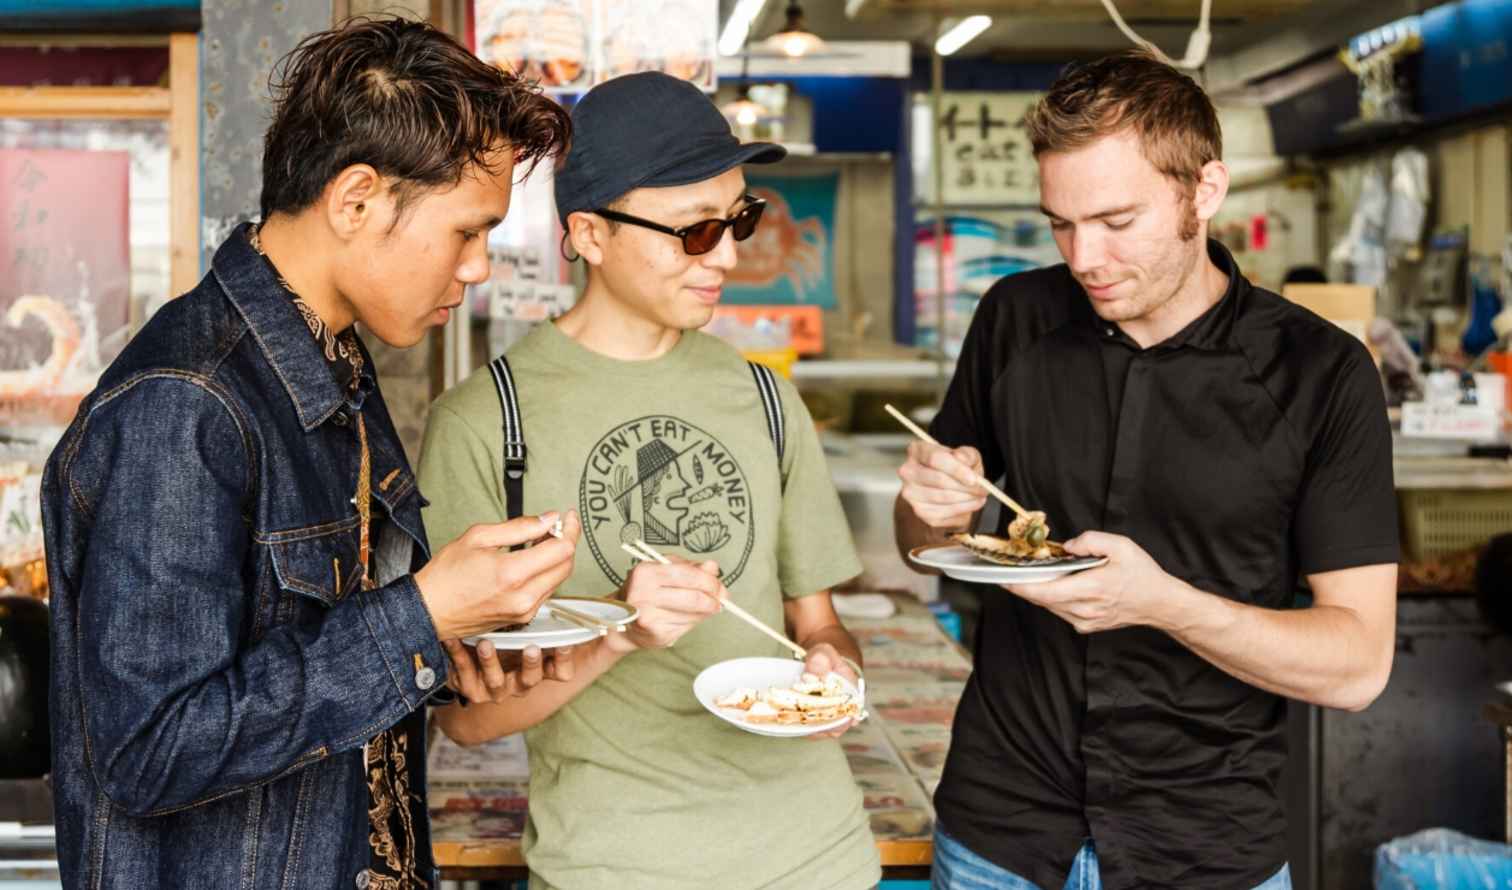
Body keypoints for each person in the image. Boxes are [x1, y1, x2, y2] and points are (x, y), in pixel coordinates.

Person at [41, 18, 577, 890]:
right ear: (355, 198)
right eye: (466, 232)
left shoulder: (332, 361)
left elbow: (310, 653)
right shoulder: (189, 402)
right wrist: (421, 617)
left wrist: (454, 646)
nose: (478, 268)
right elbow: (150, 751)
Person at [894, 50, 1398, 890]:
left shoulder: (1321, 373)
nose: (1084, 256)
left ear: (1204, 191)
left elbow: (1356, 667)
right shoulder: (1013, 319)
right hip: (1001, 834)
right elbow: (925, 544)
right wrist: (933, 509)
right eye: (1060, 223)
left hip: (1206, 846)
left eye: (1117, 222)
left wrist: (1163, 605)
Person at [418, 71, 881, 890]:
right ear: (589, 234)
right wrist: (620, 636)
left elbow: (822, 626)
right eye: (694, 232)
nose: (730, 256)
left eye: (739, 219)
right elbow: (465, 718)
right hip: (615, 865)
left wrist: (831, 670)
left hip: (819, 857)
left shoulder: (768, 399)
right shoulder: (489, 422)